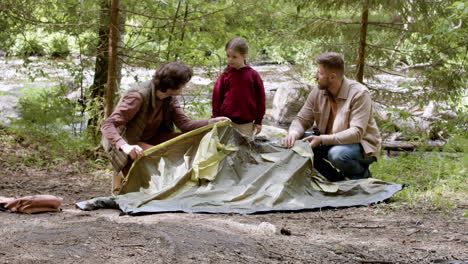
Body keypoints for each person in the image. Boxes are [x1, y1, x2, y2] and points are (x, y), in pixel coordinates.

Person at [101, 61, 229, 193]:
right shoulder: (137, 96)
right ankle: (123, 181)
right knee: (157, 155)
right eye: (183, 83)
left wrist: (211, 122)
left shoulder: (170, 98)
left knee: (189, 141)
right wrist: (125, 146)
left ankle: (182, 184)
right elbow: (108, 124)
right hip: (127, 143)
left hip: (150, 138)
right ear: (173, 84)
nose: (184, 87)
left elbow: (184, 124)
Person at [282, 52, 381, 181]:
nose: (315, 76)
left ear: (332, 77)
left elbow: (356, 133)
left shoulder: (359, 94)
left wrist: (322, 139)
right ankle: (335, 180)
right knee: (297, 144)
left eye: (319, 73)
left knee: (337, 155)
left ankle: (361, 176)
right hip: (329, 141)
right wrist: (293, 134)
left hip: (361, 145)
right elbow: (301, 120)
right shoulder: (317, 91)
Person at [211, 37, 266, 139]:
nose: (230, 60)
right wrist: (215, 117)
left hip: (246, 123)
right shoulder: (225, 75)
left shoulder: (253, 75)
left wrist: (258, 121)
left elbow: (260, 99)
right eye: (228, 56)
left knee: (244, 149)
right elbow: (216, 98)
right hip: (225, 121)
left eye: (234, 57)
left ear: (244, 56)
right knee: (225, 149)